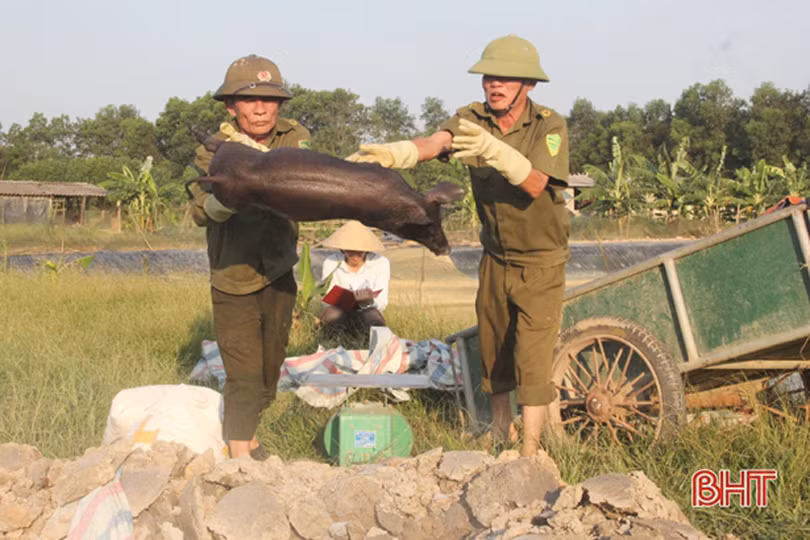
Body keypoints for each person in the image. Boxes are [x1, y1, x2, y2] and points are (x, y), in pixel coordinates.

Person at [346, 35, 569, 456]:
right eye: (489, 77)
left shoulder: (549, 125)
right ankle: (504, 433)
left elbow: (537, 182)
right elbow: (439, 142)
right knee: (495, 345)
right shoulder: (472, 118)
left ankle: (531, 449)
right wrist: (399, 154)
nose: (494, 85)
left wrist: (495, 151)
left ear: (528, 86)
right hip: (496, 257)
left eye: (505, 79)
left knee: (533, 354)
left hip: (541, 260)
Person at [189, 54, 311, 460]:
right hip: (233, 275)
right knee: (242, 373)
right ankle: (240, 458)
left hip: (278, 270)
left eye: (270, 100)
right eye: (249, 100)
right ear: (231, 106)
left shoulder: (293, 138)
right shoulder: (213, 152)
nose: (261, 109)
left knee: (269, 371)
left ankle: (249, 436)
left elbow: (305, 175)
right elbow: (200, 208)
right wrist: (224, 203)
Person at [319, 220, 390, 338]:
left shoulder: (380, 263)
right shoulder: (331, 262)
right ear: (342, 249)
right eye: (349, 250)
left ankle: (369, 343)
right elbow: (326, 299)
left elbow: (382, 301)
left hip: (367, 311)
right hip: (339, 313)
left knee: (373, 316)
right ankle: (334, 342)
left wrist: (367, 302)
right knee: (331, 314)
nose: (355, 255)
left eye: (359, 251)